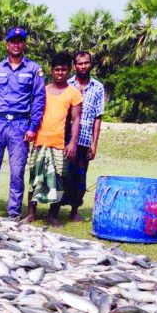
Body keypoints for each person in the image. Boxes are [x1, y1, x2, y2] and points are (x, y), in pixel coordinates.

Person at [0, 27, 47, 219]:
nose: (16, 44)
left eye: (19, 41)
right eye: (12, 41)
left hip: (20, 125)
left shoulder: (34, 69)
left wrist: (33, 127)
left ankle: (13, 212)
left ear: (24, 43)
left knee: (17, 171)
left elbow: (39, 100)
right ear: (7, 44)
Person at [23, 52, 82, 227]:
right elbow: (33, 113)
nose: (60, 73)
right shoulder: (43, 90)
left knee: (58, 180)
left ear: (69, 70)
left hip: (60, 144)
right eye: (57, 69)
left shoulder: (74, 93)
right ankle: (31, 213)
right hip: (40, 141)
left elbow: (76, 119)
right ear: (51, 70)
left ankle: (53, 215)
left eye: (64, 69)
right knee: (34, 178)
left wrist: (73, 143)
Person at [64, 51, 106, 221]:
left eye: (86, 63)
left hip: (84, 139)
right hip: (65, 138)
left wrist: (94, 144)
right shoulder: (66, 84)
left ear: (91, 64)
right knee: (62, 175)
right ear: (75, 66)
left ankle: (74, 210)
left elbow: (98, 117)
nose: (83, 66)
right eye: (79, 63)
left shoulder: (98, 87)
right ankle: (55, 209)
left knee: (80, 177)